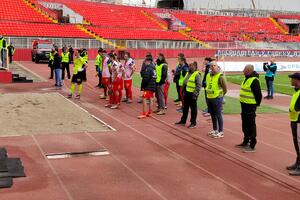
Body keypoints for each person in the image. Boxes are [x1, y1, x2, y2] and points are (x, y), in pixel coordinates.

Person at [236, 65, 262, 153]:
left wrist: (256, 105)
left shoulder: (254, 80)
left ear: (249, 71)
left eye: (244, 70)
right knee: (245, 124)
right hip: (244, 105)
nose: (243, 71)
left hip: (250, 106)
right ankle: (246, 141)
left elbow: (258, 95)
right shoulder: (246, 78)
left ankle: (252, 145)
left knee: (251, 124)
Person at [175, 61, 201, 128]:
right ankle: (183, 121)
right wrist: (183, 91)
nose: (189, 66)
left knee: (193, 109)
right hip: (186, 93)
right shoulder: (188, 73)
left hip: (192, 94)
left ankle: (193, 123)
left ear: (195, 67)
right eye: (189, 65)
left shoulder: (197, 74)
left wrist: (195, 94)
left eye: (191, 65)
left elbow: (198, 86)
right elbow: (185, 82)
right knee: (185, 108)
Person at [206, 62, 227, 138]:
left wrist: (221, 96)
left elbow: (225, 88)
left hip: (217, 98)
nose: (213, 67)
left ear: (217, 66)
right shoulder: (208, 75)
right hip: (209, 97)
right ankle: (215, 130)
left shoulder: (220, 76)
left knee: (218, 115)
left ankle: (221, 131)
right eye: (211, 66)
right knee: (212, 115)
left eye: (214, 65)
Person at [287, 73, 300, 176]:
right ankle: (298, 162)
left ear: (297, 80)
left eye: (292, 78)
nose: (291, 80)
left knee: (299, 144)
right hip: (294, 120)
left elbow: (297, 107)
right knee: (296, 143)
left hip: (299, 121)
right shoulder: (297, 91)